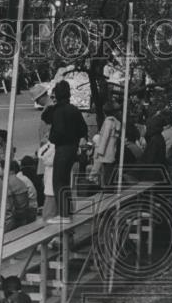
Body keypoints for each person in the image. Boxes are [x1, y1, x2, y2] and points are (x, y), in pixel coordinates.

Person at [40, 80, 88, 223]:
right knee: (65, 181)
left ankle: (64, 215)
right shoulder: (74, 109)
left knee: (58, 182)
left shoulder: (58, 111)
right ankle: (66, 212)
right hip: (73, 148)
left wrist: (54, 137)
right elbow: (83, 130)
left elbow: (54, 127)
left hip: (62, 148)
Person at [94, 104, 122, 187]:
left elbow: (104, 137)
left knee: (105, 175)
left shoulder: (107, 122)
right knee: (109, 173)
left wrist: (99, 151)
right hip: (112, 150)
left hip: (105, 151)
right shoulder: (117, 123)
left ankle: (106, 192)